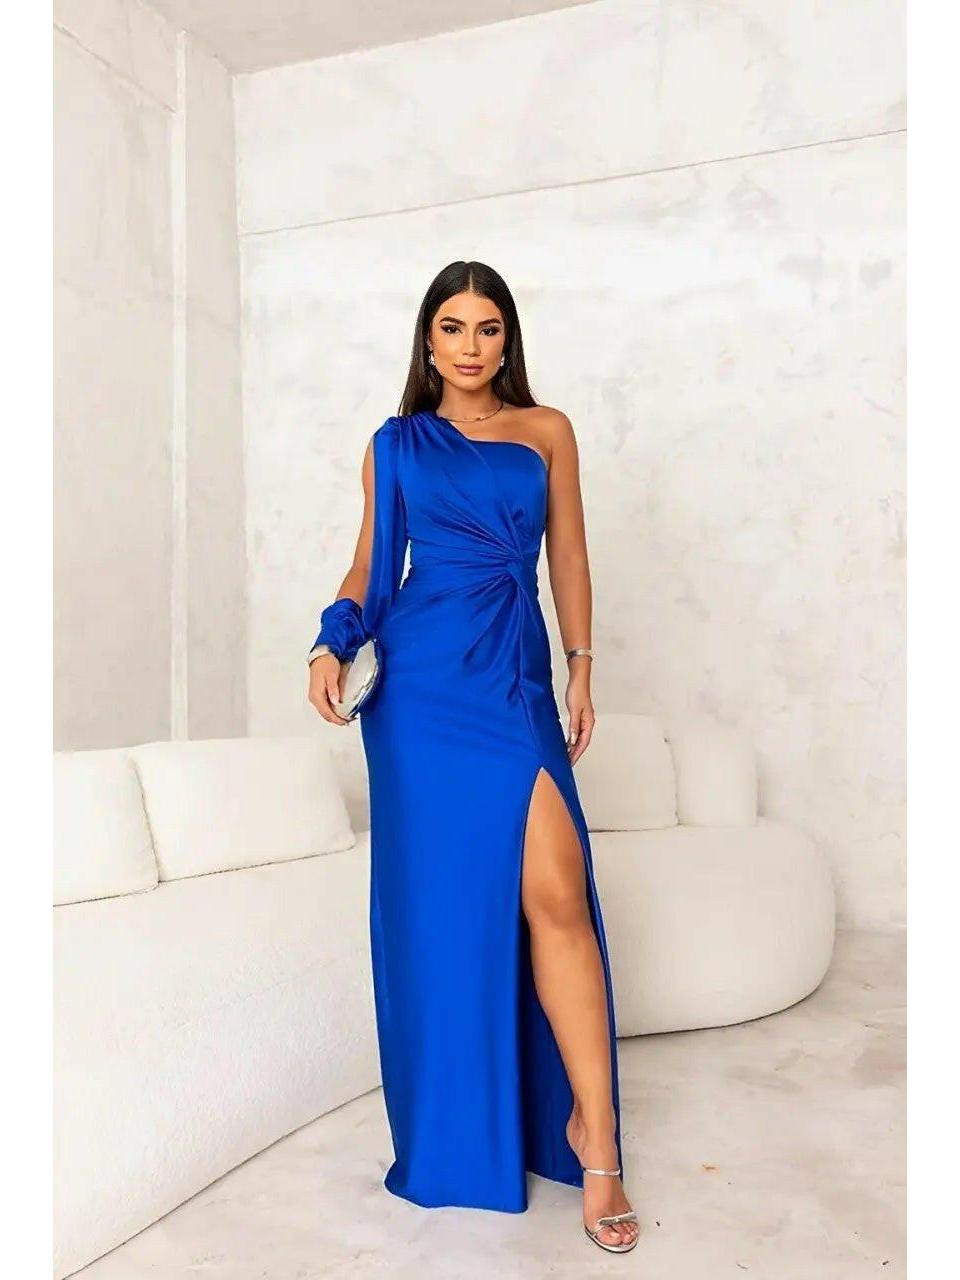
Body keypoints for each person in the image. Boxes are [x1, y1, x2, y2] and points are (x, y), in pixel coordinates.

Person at [306, 261, 639, 1254]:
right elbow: (372, 565)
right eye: (451, 327)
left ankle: (596, 1137)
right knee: (445, 914)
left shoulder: (547, 430)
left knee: (557, 895)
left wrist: (581, 667)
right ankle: (461, 1132)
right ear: (428, 340)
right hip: (420, 693)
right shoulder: (396, 444)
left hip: (514, 679)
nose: (469, 345)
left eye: (487, 328)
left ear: (507, 339)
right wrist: (331, 638)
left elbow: (568, 555)